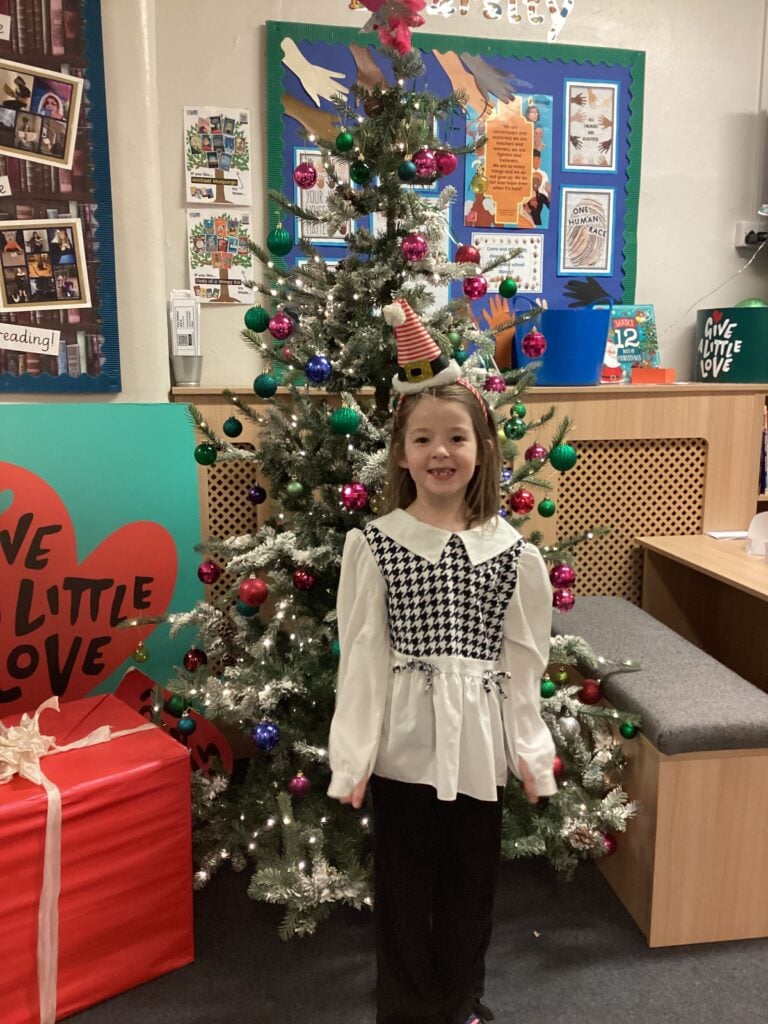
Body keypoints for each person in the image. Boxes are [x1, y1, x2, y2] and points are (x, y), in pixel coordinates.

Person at [328, 299, 557, 1024]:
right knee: (402, 887)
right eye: (423, 437)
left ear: (482, 446)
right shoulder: (375, 545)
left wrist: (531, 752)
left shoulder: (515, 556)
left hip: (479, 753)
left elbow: (524, 665)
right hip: (404, 751)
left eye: (456, 436)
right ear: (401, 453)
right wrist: (354, 756)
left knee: (470, 888)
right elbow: (362, 658)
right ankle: (404, 1007)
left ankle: (460, 1001)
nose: (440, 451)